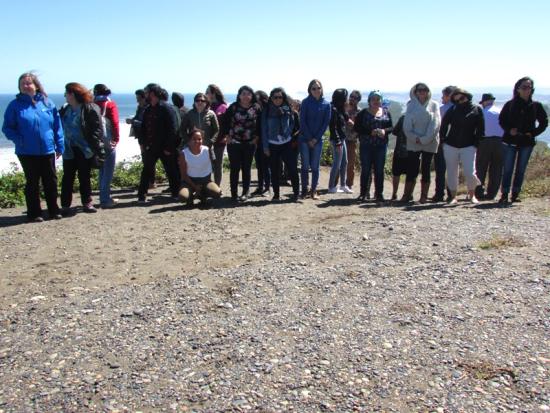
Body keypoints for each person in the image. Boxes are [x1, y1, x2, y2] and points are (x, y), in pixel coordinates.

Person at [2, 72, 64, 222]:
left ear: (36, 85)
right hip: (26, 151)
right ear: (19, 87)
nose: (26, 86)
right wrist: (20, 140)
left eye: (29, 83)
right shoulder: (14, 105)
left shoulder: (47, 103)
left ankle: (53, 210)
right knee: (32, 182)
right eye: (22, 83)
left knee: (51, 181)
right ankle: (34, 213)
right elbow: (7, 128)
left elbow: (57, 126)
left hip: (48, 149)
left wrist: (59, 144)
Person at [498, 77, 548, 204]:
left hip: (526, 142)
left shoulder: (536, 106)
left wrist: (533, 133)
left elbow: (544, 122)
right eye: (524, 87)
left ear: (532, 89)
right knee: (508, 169)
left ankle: (515, 194)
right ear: (518, 89)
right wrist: (509, 130)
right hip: (510, 141)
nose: (527, 90)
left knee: (521, 169)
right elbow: (502, 120)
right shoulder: (510, 104)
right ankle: (504, 194)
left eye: (529, 87)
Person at [59, 82, 106, 214]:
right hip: (68, 148)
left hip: (85, 149)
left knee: (84, 176)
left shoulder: (89, 108)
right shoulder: (65, 109)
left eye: (66, 93)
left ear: (72, 94)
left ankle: (87, 203)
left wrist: (96, 148)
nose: (65, 96)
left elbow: (97, 129)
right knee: (67, 177)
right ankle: (65, 205)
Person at [136, 83, 180, 203]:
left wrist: (168, 147)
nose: (144, 94)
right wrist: (144, 143)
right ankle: (141, 195)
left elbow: (173, 129)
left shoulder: (166, 108)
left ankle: (176, 193)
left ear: (152, 93)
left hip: (165, 147)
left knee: (171, 170)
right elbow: (144, 128)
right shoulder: (148, 109)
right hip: (151, 147)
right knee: (146, 170)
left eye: (146, 92)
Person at [439, 88, 484, 204]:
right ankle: (453, 197)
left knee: (470, 172)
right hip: (451, 145)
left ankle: (472, 195)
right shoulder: (453, 109)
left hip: (469, 145)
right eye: (456, 99)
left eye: (462, 98)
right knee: (451, 172)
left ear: (467, 96)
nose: (460, 101)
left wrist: (476, 144)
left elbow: (481, 129)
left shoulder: (477, 109)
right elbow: (444, 124)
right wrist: (443, 140)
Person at [220, 85, 261, 201]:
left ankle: (245, 192)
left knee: (246, 168)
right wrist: (227, 136)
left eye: (248, 94)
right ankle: (233, 193)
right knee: (234, 168)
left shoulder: (256, 108)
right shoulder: (233, 107)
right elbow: (225, 122)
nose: (246, 96)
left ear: (252, 96)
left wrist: (257, 138)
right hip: (234, 142)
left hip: (250, 143)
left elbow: (260, 124)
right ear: (239, 95)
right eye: (243, 94)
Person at [402, 83, 441, 203]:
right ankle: (407, 194)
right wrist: (415, 138)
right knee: (412, 167)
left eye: (424, 90)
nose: (422, 92)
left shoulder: (434, 105)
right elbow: (407, 124)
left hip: (430, 141)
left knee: (426, 168)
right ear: (415, 92)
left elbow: (435, 124)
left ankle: (423, 196)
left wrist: (424, 139)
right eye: (419, 90)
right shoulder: (411, 105)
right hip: (413, 141)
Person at [261, 87, 300, 201]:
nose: (278, 99)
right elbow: (264, 129)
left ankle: (296, 193)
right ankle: (276, 194)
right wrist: (265, 146)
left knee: (292, 168)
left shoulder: (288, 109)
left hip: (286, 143)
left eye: (280, 97)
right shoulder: (267, 110)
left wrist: (288, 132)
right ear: (271, 98)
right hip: (272, 144)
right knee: (274, 170)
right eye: (275, 97)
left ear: (283, 98)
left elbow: (293, 123)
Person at [354, 90, 393, 202]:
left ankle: (379, 194)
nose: (376, 101)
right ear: (369, 101)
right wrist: (370, 132)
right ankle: (363, 193)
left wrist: (384, 131)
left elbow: (391, 127)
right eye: (373, 99)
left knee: (379, 170)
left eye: (378, 99)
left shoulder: (386, 112)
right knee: (365, 169)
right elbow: (357, 128)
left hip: (381, 146)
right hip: (366, 145)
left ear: (381, 100)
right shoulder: (363, 113)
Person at [299, 79, 331, 199]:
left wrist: (315, 139)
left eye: (318, 88)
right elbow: (302, 122)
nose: (316, 90)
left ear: (322, 89)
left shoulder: (326, 104)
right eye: (313, 88)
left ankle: (313, 190)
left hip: (317, 140)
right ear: (309, 90)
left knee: (315, 167)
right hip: (304, 139)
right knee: (305, 166)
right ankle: (304, 189)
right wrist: (309, 138)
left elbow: (325, 124)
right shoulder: (305, 102)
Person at [177, 129, 221, 207]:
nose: (197, 141)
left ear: (202, 140)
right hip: (189, 181)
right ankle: (190, 197)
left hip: (205, 181)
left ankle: (203, 195)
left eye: (199, 139)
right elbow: (184, 175)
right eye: (194, 139)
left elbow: (213, 167)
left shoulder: (207, 150)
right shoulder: (184, 153)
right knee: (182, 197)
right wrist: (195, 187)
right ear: (189, 141)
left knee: (217, 193)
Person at [93, 84, 120, 208]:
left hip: (95, 141)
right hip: (107, 140)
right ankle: (105, 199)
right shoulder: (109, 104)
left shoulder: (91, 104)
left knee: (101, 170)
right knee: (108, 171)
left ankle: (103, 196)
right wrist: (116, 138)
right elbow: (114, 122)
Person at [475, 93, 504, 201]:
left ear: (485, 102)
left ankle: (478, 192)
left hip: (484, 141)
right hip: (500, 141)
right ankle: (492, 194)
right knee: (496, 168)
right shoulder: (500, 112)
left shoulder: (481, 113)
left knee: (480, 167)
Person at [432, 85, 457, 202]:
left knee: (440, 170)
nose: (442, 98)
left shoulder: (441, 109)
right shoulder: (459, 109)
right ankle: (451, 194)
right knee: (452, 170)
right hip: (455, 143)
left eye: (444, 96)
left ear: (449, 96)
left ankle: (439, 194)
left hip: (441, 142)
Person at [126, 89, 154, 187]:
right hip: (141, 136)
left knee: (148, 158)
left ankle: (151, 181)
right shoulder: (140, 107)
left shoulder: (147, 108)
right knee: (144, 158)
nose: (137, 100)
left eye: (138, 98)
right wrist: (133, 120)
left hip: (148, 136)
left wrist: (133, 121)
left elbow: (145, 123)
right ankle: (149, 180)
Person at [328, 88, 352, 193]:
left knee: (344, 162)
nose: (347, 99)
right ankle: (331, 187)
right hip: (337, 139)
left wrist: (349, 120)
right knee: (337, 163)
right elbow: (333, 127)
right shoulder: (333, 109)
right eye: (345, 97)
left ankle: (343, 185)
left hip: (342, 138)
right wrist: (337, 141)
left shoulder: (340, 108)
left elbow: (345, 117)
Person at [205, 84, 228, 186]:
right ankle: (208, 186)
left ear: (214, 93)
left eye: (207, 92)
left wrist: (226, 136)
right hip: (207, 140)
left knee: (218, 164)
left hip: (219, 139)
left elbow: (227, 124)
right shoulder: (206, 106)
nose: (206, 94)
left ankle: (217, 187)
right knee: (207, 164)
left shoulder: (223, 107)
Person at [253, 90, 271, 196]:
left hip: (266, 141)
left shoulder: (267, 110)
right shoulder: (257, 110)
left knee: (265, 166)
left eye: (257, 99)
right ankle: (260, 187)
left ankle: (267, 187)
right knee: (260, 165)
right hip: (258, 141)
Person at [345, 90, 362, 192]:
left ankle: (349, 184)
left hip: (352, 139)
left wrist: (354, 126)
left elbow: (360, 126)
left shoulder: (360, 112)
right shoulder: (344, 108)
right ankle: (334, 183)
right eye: (351, 96)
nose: (352, 99)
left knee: (351, 163)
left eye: (355, 98)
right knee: (339, 163)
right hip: (342, 138)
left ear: (358, 100)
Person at [389, 114, 408, 201]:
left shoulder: (403, 118)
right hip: (413, 151)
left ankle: (394, 193)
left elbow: (394, 131)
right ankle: (407, 194)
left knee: (396, 173)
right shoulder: (420, 117)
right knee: (411, 174)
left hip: (399, 150)